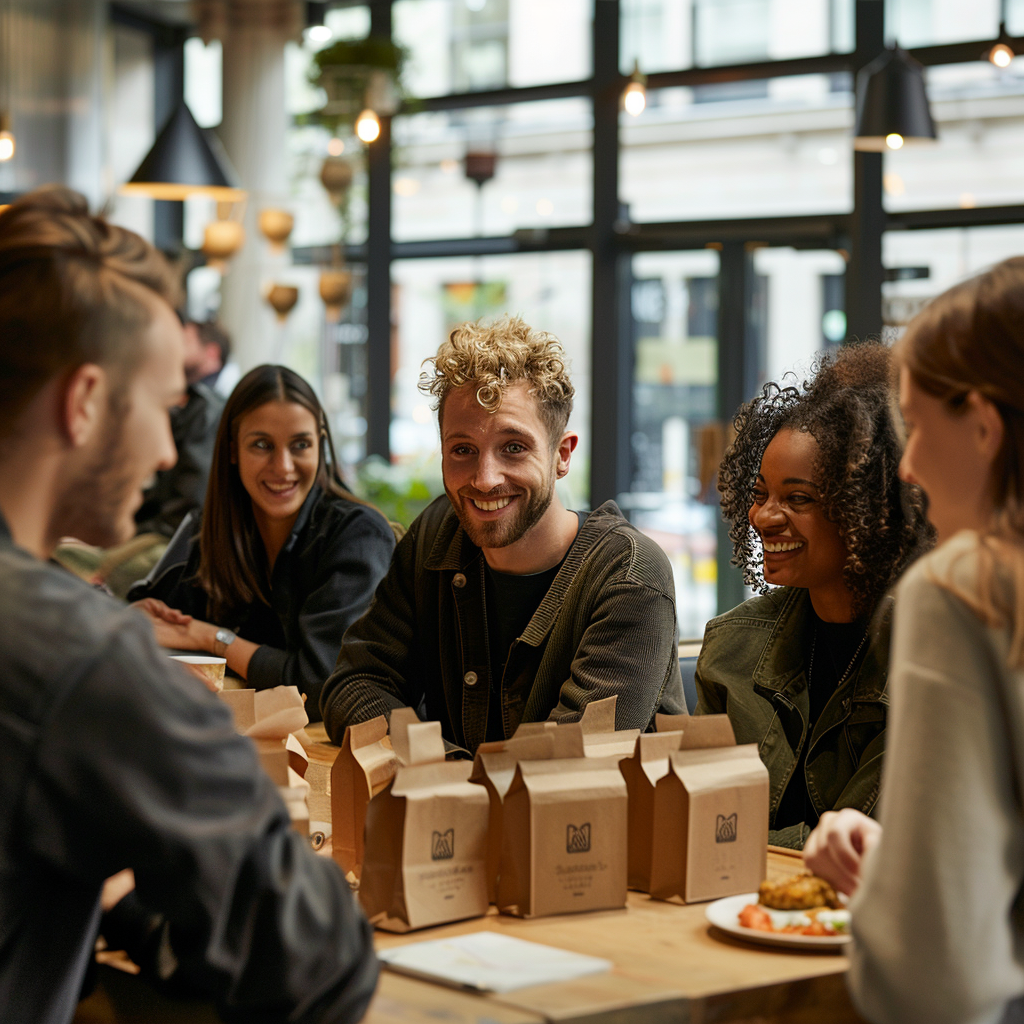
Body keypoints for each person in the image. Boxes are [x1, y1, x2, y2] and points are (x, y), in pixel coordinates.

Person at [0, 186, 378, 1024]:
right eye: (168, 407)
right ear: (87, 401)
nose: (174, 449)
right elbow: (317, 956)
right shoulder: (75, 657)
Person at [803, 259, 1024, 1024]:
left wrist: (897, 911)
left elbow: (937, 977)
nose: (908, 465)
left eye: (922, 426)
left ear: (988, 428)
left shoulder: (965, 592)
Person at [320, 315, 686, 754]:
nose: (485, 478)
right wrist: (448, 767)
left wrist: (436, 771)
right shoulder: (439, 534)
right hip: (455, 818)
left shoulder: (629, 575)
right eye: (463, 450)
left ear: (562, 455)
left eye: (514, 447)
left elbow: (571, 766)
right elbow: (353, 686)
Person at [693, 344, 930, 848]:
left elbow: (866, 848)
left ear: (867, 511)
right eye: (759, 494)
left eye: (797, 498)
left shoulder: (927, 660)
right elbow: (696, 816)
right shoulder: (731, 648)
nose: (762, 516)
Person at [129, 364, 396, 718]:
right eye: (261, 445)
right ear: (232, 450)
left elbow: (318, 686)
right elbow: (143, 619)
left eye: (300, 444)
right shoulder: (204, 527)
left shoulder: (359, 535)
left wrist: (212, 639)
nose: (283, 466)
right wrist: (136, 619)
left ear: (321, 445)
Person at [133, 319, 229, 539]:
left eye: (184, 341)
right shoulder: (184, 402)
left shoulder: (208, 409)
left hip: (168, 538)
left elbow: (189, 504)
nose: (173, 348)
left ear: (211, 353)